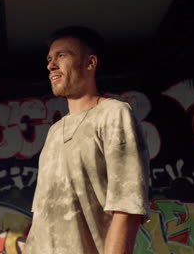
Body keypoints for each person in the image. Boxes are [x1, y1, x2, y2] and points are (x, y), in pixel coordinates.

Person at [24, 26, 150, 254]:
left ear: (90, 63)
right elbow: (41, 216)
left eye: (62, 56)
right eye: (49, 59)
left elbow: (128, 205)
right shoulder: (54, 132)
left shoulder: (113, 113)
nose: (51, 65)